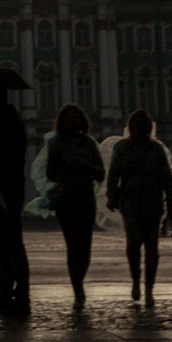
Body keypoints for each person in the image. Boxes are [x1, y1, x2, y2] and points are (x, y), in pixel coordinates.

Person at [106, 109, 172, 305]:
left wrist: (171, 198)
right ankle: (136, 279)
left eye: (145, 124)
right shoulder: (121, 148)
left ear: (149, 127)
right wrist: (111, 196)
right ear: (130, 127)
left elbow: (166, 177)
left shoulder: (156, 149)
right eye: (137, 124)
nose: (141, 128)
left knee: (152, 247)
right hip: (129, 203)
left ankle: (149, 288)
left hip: (153, 203)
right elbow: (113, 174)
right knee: (133, 243)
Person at [43, 106, 104, 305]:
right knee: (72, 245)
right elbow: (50, 174)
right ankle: (77, 289)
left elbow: (101, 173)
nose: (72, 121)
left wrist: (85, 165)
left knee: (85, 246)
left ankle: (79, 282)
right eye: (68, 117)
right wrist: (66, 164)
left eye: (76, 117)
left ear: (82, 121)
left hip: (86, 197)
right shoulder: (54, 143)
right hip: (66, 198)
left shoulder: (89, 143)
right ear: (62, 121)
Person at [0, 84, 31, 315]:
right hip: (9, 187)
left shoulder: (5, 123)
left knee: (8, 242)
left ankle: (16, 294)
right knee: (6, 242)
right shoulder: (9, 120)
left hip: (6, 188)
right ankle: (11, 292)